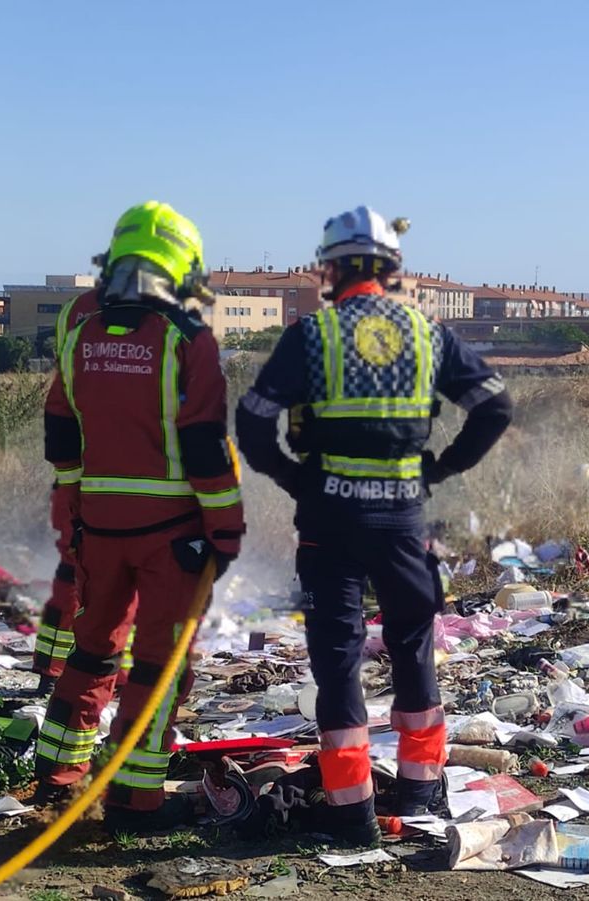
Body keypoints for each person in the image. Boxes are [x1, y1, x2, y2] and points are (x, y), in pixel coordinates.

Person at [236, 206, 513, 846]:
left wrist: (293, 476)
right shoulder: (428, 335)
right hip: (402, 521)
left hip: (329, 521)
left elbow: (252, 422)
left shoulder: (311, 337)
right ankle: (419, 792)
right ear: (393, 270)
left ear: (329, 271)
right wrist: (440, 469)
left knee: (337, 662)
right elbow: (495, 406)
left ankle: (350, 811)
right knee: (414, 647)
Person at [36, 201, 244, 833]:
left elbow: (60, 426)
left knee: (92, 650)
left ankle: (57, 774)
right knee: (157, 664)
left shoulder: (79, 332)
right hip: (172, 537)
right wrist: (227, 529)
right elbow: (206, 446)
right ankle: (134, 800)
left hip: (97, 527)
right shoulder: (188, 339)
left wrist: (69, 505)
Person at [31, 286, 136, 690]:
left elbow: (63, 398)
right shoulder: (158, 316)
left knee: (72, 570)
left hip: (77, 473)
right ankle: (117, 673)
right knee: (133, 577)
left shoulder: (77, 312)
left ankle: (52, 668)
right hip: (134, 479)